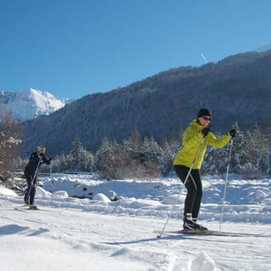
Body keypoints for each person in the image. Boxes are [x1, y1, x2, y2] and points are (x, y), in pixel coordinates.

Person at [173, 108, 236, 232]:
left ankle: (193, 222)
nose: (207, 121)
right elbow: (187, 145)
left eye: (209, 119)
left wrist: (228, 136)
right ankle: (187, 221)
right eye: (205, 118)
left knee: (199, 192)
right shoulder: (191, 130)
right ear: (199, 118)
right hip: (182, 164)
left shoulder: (207, 133)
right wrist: (201, 135)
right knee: (192, 189)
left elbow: (218, 144)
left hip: (194, 167)